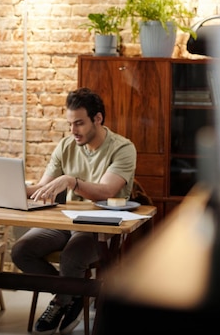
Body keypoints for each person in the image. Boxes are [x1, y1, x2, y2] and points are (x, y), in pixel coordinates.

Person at [11, 87, 136, 334]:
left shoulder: (122, 148)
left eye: (79, 123)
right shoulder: (66, 145)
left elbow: (106, 191)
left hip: (101, 226)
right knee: (21, 251)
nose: (73, 131)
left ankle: (62, 300)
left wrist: (72, 181)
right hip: (66, 222)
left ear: (97, 119)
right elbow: (43, 187)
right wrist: (9, 187)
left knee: (71, 258)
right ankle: (74, 295)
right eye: (70, 124)